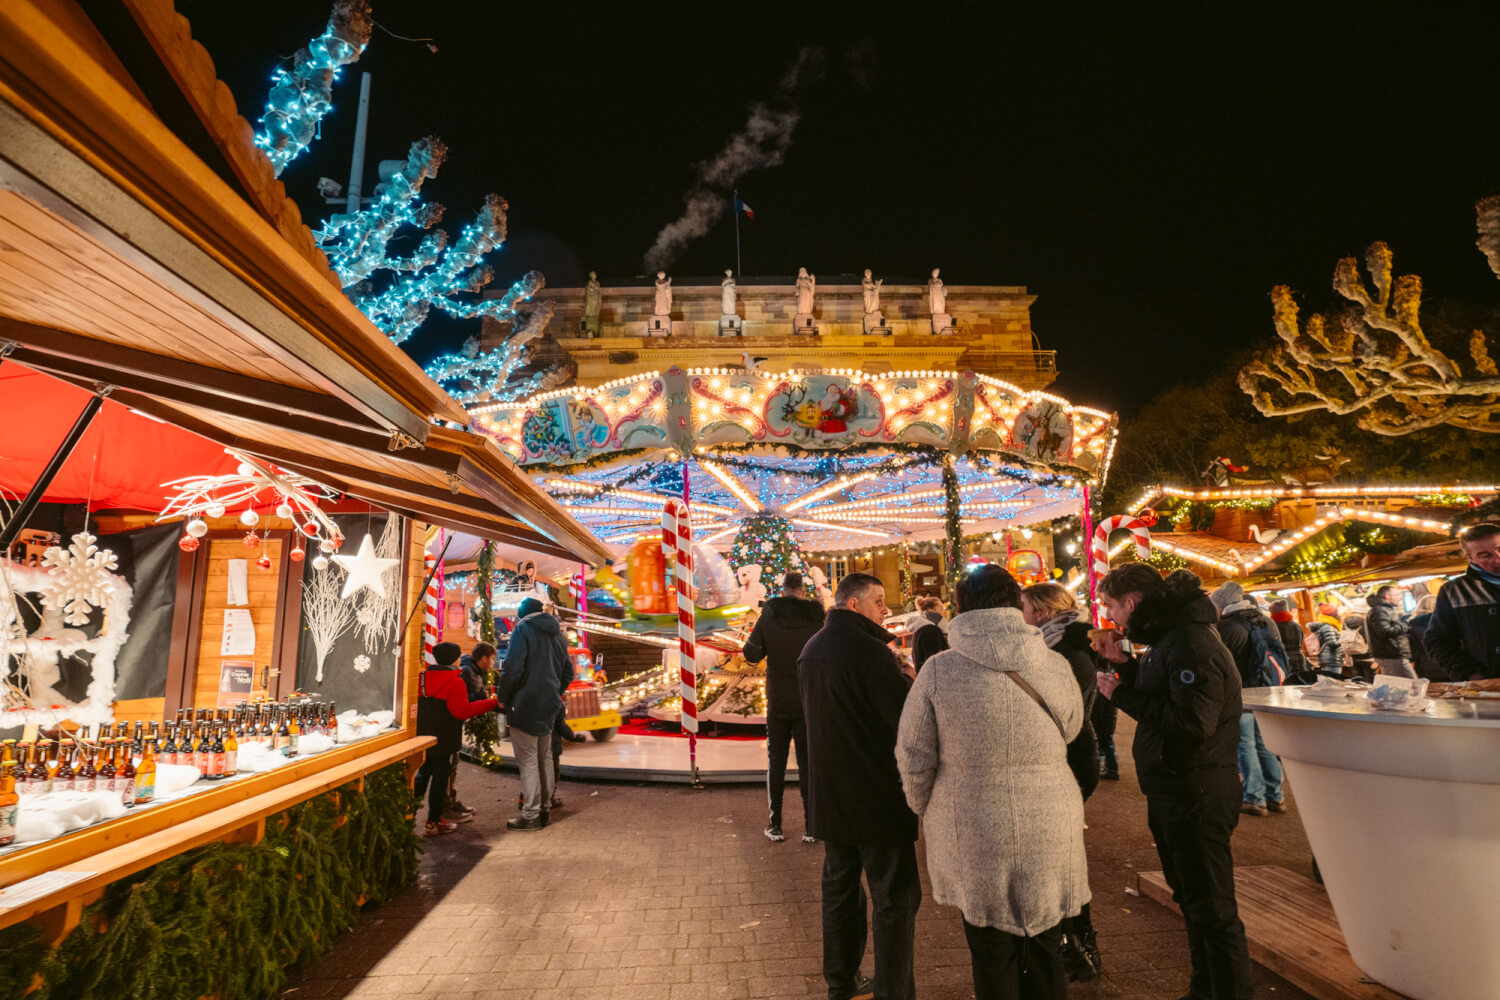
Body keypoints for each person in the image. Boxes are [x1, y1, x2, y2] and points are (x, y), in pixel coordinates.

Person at [897, 567, 1085, 1000]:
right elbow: (1072, 729)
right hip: (1048, 819)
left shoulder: (940, 670)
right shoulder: (1054, 663)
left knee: (990, 947)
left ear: (961, 607)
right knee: (1043, 942)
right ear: (1017, 604)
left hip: (973, 823)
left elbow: (914, 755)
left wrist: (927, 806)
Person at [1092, 566, 1254, 1000]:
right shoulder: (1172, 640)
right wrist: (1127, 668)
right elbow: (1168, 697)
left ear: (1130, 602)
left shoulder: (1188, 642)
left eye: (1109, 605)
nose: (1109, 617)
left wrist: (1119, 694)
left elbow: (1192, 721)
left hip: (1195, 790)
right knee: (1194, 901)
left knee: (1213, 908)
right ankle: (1205, 989)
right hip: (1175, 787)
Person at [800, 572, 918, 1000]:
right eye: (879, 601)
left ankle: (841, 982)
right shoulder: (872, 654)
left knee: (840, 893)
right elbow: (904, 722)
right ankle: (894, 991)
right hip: (877, 797)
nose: (885, 609)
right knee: (894, 899)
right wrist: (907, 677)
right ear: (854, 605)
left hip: (831, 796)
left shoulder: (813, 649)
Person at [1020, 581, 1102, 983]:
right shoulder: (1063, 645)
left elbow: (1061, 713)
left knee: (1060, 854)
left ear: (1040, 611)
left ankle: (1079, 943)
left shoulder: (1064, 651)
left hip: (1068, 758)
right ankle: (1071, 940)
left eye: (1023, 607)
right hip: (1070, 755)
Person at [742, 570, 826, 844]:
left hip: (777, 699)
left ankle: (775, 825)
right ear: (802, 591)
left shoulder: (769, 617)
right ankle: (812, 826)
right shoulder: (816, 619)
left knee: (776, 760)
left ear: (782, 591)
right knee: (807, 762)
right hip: (807, 699)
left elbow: (751, 653)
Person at [1209, 581, 1286, 818]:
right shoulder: (1266, 620)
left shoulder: (1228, 626)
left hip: (1242, 694)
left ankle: (1255, 797)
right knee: (1265, 744)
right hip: (1268, 691)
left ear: (1222, 604)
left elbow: (1223, 664)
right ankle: (1276, 796)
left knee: (1245, 745)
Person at [498, 598, 572, 832]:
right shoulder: (558, 634)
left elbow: (513, 667)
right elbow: (568, 672)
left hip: (526, 704)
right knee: (545, 757)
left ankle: (530, 814)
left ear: (521, 615)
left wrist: (504, 697)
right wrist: (554, 691)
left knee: (528, 760)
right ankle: (545, 808)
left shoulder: (523, 629)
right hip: (549, 704)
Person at [414, 641, 497, 837]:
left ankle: (407, 815)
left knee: (422, 774)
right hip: (445, 738)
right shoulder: (455, 681)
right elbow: (462, 712)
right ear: (454, 659)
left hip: (423, 736)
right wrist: (489, 704)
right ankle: (433, 822)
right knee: (440, 779)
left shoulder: (422, 678)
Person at [1424, 522, 1500, 680]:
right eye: (1485, 555)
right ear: (1470, 558)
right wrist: (1469, 674)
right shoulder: (1454, 591)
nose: (1498, 560)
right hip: (1490, 689)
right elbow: (1437, 641)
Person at [443, 641, 498, 824]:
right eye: (491, 659)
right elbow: (462, 701)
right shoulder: (466, 672)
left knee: (453, 765)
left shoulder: (473, 671)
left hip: (455, 725)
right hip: (450, 725)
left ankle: (451, 802)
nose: (492, 663)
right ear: (484, 658)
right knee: (448, 767)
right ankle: (446, 808)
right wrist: (485, 700)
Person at [1366, 584, 1415, 678]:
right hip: (1392, 655)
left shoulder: (1382, 609)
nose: (1400, 597)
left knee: (1397, 686)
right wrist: (1404, 625)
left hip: (1391, 655)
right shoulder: (1380, 610)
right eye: (1397, 595)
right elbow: (1384, 631)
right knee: (1413, 686)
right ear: (1387, 597)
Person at [1267, 599, 1306, 677]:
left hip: (1282, 661)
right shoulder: (1296, 625)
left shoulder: (1272, 627)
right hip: (1299, 659)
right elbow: (1301, 643)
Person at [1408, 593, 1441, 679]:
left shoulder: (1413, 624)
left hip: (1425, 666)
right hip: (1447, 664)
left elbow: (1413, 649)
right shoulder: (1446, 621)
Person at [1341, 612, 1373, 681]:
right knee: (1368, 679)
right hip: (1367, 656)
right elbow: (1369, 638)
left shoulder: (1346, 623)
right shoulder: (1364, 622)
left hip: (1352, 656)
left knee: (1356, 678)